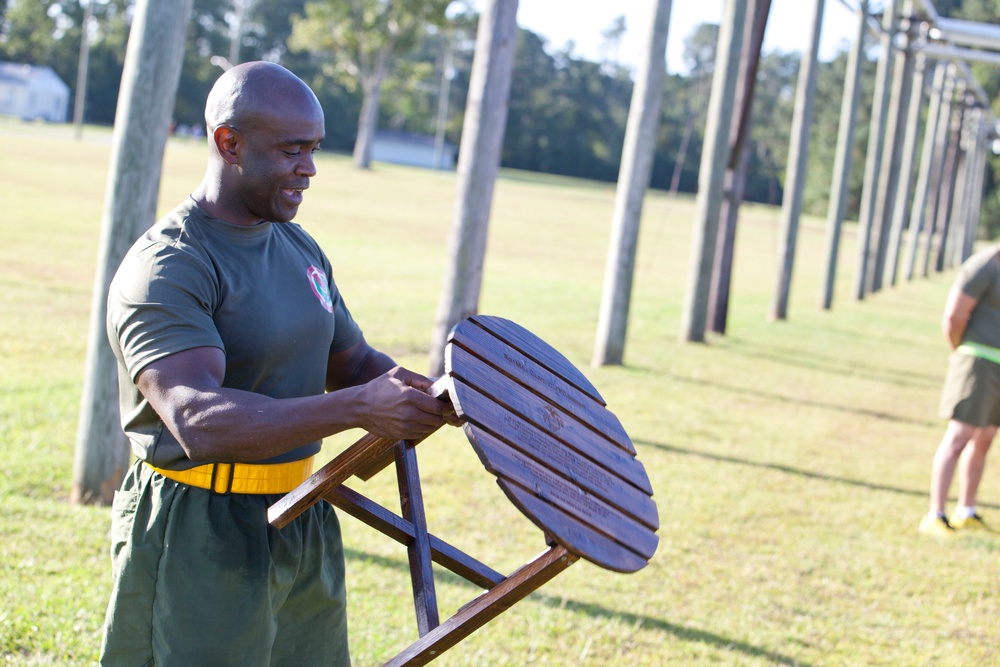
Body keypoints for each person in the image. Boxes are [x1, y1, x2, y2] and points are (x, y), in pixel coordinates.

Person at [99, 61, 454, 666]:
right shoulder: (169, 266)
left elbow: (354, 361)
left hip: (303, 512)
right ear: (228, 143)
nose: (310, 170)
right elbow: (198, 419)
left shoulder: (299, 247)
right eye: (292, 150)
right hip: (198, 525)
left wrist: (439, 395)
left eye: (314, 150)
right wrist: (358, 409)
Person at [919, 244, 1000, 537]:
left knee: (985, 438)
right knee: (958, 438)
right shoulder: (985, 265)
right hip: (977, 361)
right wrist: (962, 356)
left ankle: (966, 510)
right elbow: (954, 317)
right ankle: (935, 514)